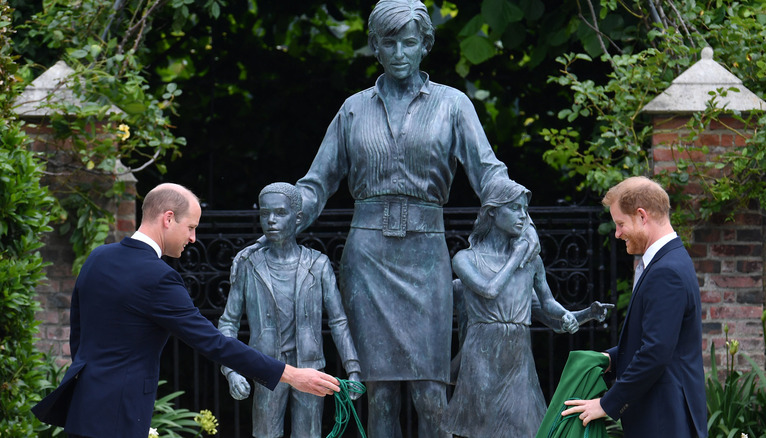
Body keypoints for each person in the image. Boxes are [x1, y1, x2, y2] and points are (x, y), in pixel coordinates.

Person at [242, 1, 539, 436]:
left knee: (431, 393)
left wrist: (520, 213)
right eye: (388, 43)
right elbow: (317, 183)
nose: (399, 52)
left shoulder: (453, 105)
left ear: (425, 46)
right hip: (369, 258)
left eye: (409, 42)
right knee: (379, 395)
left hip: (425, 255)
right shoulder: (353, 110)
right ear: (375, 48)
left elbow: (488, 171)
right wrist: (287, 214)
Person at [31, 183, 340, 438]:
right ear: (168, 219)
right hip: (120, 418)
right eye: (191, 227)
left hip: (81, 409)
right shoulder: (159, 277)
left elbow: (79, 334)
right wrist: (291, 374)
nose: (193, 238)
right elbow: (214, 342)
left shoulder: (98, 258)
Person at [561, 176, 707, 438]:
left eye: (620, 224)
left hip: (664, 421)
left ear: (642, 216)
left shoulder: (666, 271)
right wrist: (610, 359)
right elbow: (658, 341)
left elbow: (656, 352)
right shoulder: (669, 261)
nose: (617, 234)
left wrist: (606, 404)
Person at [218, 182, 361, 438]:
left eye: (280, 213)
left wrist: (353, 368)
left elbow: (338, 321)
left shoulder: (318, 265)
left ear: (297, 218)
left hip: (310, 368)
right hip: (266, 367)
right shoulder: (249, 266)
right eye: (265, 213)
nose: (271, 221)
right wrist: (231, 370)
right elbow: (228, 322)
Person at [441, 180, 582, 437]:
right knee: (481, 427)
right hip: (481, 351)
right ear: (492, 212)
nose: (523, 216)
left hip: (517, 353)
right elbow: (489, 290)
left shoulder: (532, 261)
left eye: (525, 210)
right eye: (515, 208)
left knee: (524, 426)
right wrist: (516, 256)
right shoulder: (466, 258)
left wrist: (568, 315)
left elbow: (547, 303)